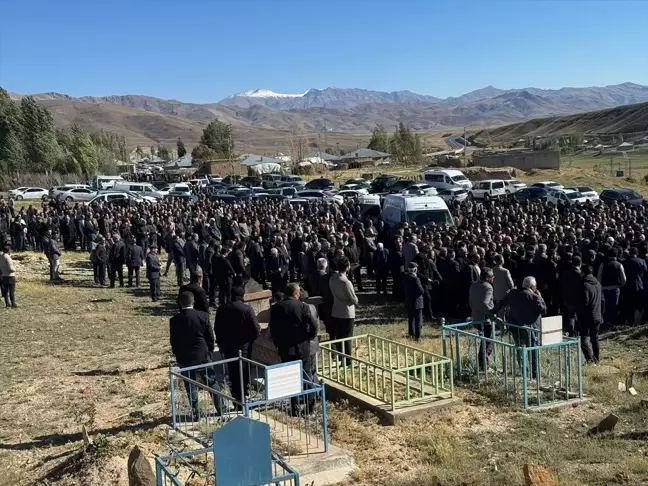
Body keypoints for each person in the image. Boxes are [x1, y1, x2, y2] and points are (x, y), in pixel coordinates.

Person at [169, 292, 222, 420]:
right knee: (211, 382)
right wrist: (209, 350)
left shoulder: (175, 320)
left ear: (180, 303)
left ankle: (196, 413)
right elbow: (210, 337)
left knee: (190, 385)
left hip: (185, 357)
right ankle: (220, 408)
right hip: (202, 355)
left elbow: (174, 341)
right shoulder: (203, 316)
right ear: (193, 302)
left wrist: (177, 354)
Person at [269, 283, 319, 415]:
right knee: (306, 375)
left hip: (285, 348)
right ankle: (310, 404)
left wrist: (277, 343)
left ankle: (294, 406)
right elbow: (313, 325)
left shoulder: (276, 308)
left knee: (290, 377)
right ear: (296, 293)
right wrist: (310, 336)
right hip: (302, 347)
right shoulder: (303, 306)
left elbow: (273, 329)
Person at [214, 286, 260, 405]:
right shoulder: (247, 309)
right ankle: (243, 398)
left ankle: (236, 399)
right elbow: (256, 329)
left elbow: (217, 329)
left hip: (228, 347)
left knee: (233, 373)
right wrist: (250, 340)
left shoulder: (221, 309)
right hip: (244, 347)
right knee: (244, 373)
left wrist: (220, 344)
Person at [494, 276, 547, 378]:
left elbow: (500, 304)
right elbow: (543, 310)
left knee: (519, 349)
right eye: (535, 286)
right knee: (533, 351)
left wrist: (492, 314)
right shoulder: (534, 297)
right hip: (530, 329)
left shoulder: (513, 293)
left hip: (515, 327)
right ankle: (535, 375)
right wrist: (540, 297)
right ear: (532, 286)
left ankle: (524, 372)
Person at [329, 257, 358, 360]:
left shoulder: (332, 278)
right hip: (347, 312)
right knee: (347, 337)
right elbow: (354, 299)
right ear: (347, 267)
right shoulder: (346, 282)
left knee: (339, 337)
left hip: (336, 310)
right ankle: (348, 360)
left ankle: (341, 358)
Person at [469, 267, 498, 370]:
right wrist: (494, 318)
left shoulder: (474, 285)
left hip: (476, 317)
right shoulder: (488, 287)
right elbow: (485, 304)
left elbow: (471, 302)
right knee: (487, 344)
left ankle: (483, 365)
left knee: (484, 342)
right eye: (492, 276)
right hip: (485, 320)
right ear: (487, 277)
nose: (493, 278)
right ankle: (484, 367)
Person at [578, 265, 603, 363]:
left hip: (587, 315)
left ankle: (589, 359)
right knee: (595, 338)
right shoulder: (598, 284)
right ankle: (596, 359)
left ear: (583, 272)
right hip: (597, 314)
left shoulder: (584, 284)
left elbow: (585, 301)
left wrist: (579, 312)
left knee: (584, 337)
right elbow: (602, 300)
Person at [597, 247, 626, 329]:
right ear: (616, 255)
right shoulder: (619, 265)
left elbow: (599, 277)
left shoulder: (603, 264)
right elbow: (624, 280)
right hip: (615, 289)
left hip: (604, 289)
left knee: (605, 308)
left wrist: (601, 287)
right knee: (614, 308)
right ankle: (612, 325)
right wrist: (620, 285)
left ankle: (605, 324)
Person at [620, 247, 647, 326]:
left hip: (627, 286)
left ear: (629, 253)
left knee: (629, 305)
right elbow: (645, 273)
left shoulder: (624, 262)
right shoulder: (642, 261)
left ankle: (629, 322)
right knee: (638, 306)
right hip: (639, 286)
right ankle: (637, 323)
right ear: (637, 253)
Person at [559, 255, 583, 337]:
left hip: (568, 298)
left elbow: (562, 286)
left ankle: (571, 332)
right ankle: (579, 332)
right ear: (580, 263)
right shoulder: (581, 274)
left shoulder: (566, 273)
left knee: (571, 316)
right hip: (579, 298)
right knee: (579, 316)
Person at [403, 262, 424, 341]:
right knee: (418, 320)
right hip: (417, 302)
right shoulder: (416, 279)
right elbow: (421, 290)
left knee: (411, 319)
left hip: (409, 301)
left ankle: (411, 334)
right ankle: (417, 337)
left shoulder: (405, 277)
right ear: (415, 269)